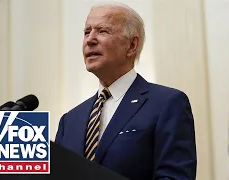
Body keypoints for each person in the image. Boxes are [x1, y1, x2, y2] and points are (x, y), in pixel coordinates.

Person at [55, 3, 197, 180]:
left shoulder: (167, 104)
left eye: (103, 31)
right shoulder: (69, 121)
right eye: (86, 32)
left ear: (132, 45)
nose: (90, 39)